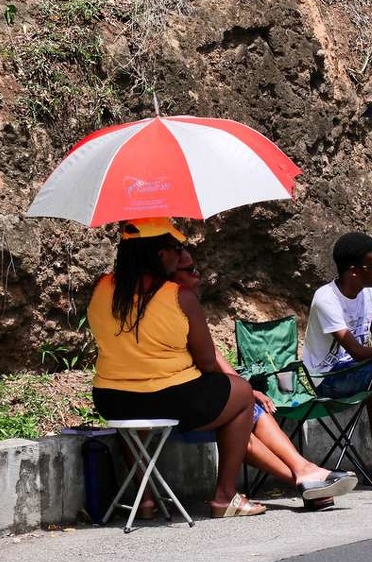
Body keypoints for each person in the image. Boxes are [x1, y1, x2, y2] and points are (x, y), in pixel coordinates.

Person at [87, 217, 265, 519]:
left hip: (112, 399)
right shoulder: (179, 296)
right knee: (243, 394)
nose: (180, 254)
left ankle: (145, 500)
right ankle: (225, 497)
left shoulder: (102, 287)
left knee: (135, 416)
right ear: (160, 255)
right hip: (171, 397)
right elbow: (208, 362)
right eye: (176, 248)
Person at [172, 248, 357, 510]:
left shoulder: (178, 305)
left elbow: (214, 356)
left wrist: (246, 389)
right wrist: (244, 392)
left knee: (249, 408)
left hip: (197, 397)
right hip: (184, 401)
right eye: (190, 271)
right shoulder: (175, 305)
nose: (197, 277)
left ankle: (305, 475)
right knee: (241, 417)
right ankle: (303, 477)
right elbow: (208, 360)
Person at [302, 232, 372, 482]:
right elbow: (356, 350)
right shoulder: (326, 298)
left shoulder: (371, 291)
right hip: (327, 377)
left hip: (357, 367)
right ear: (353, 271)